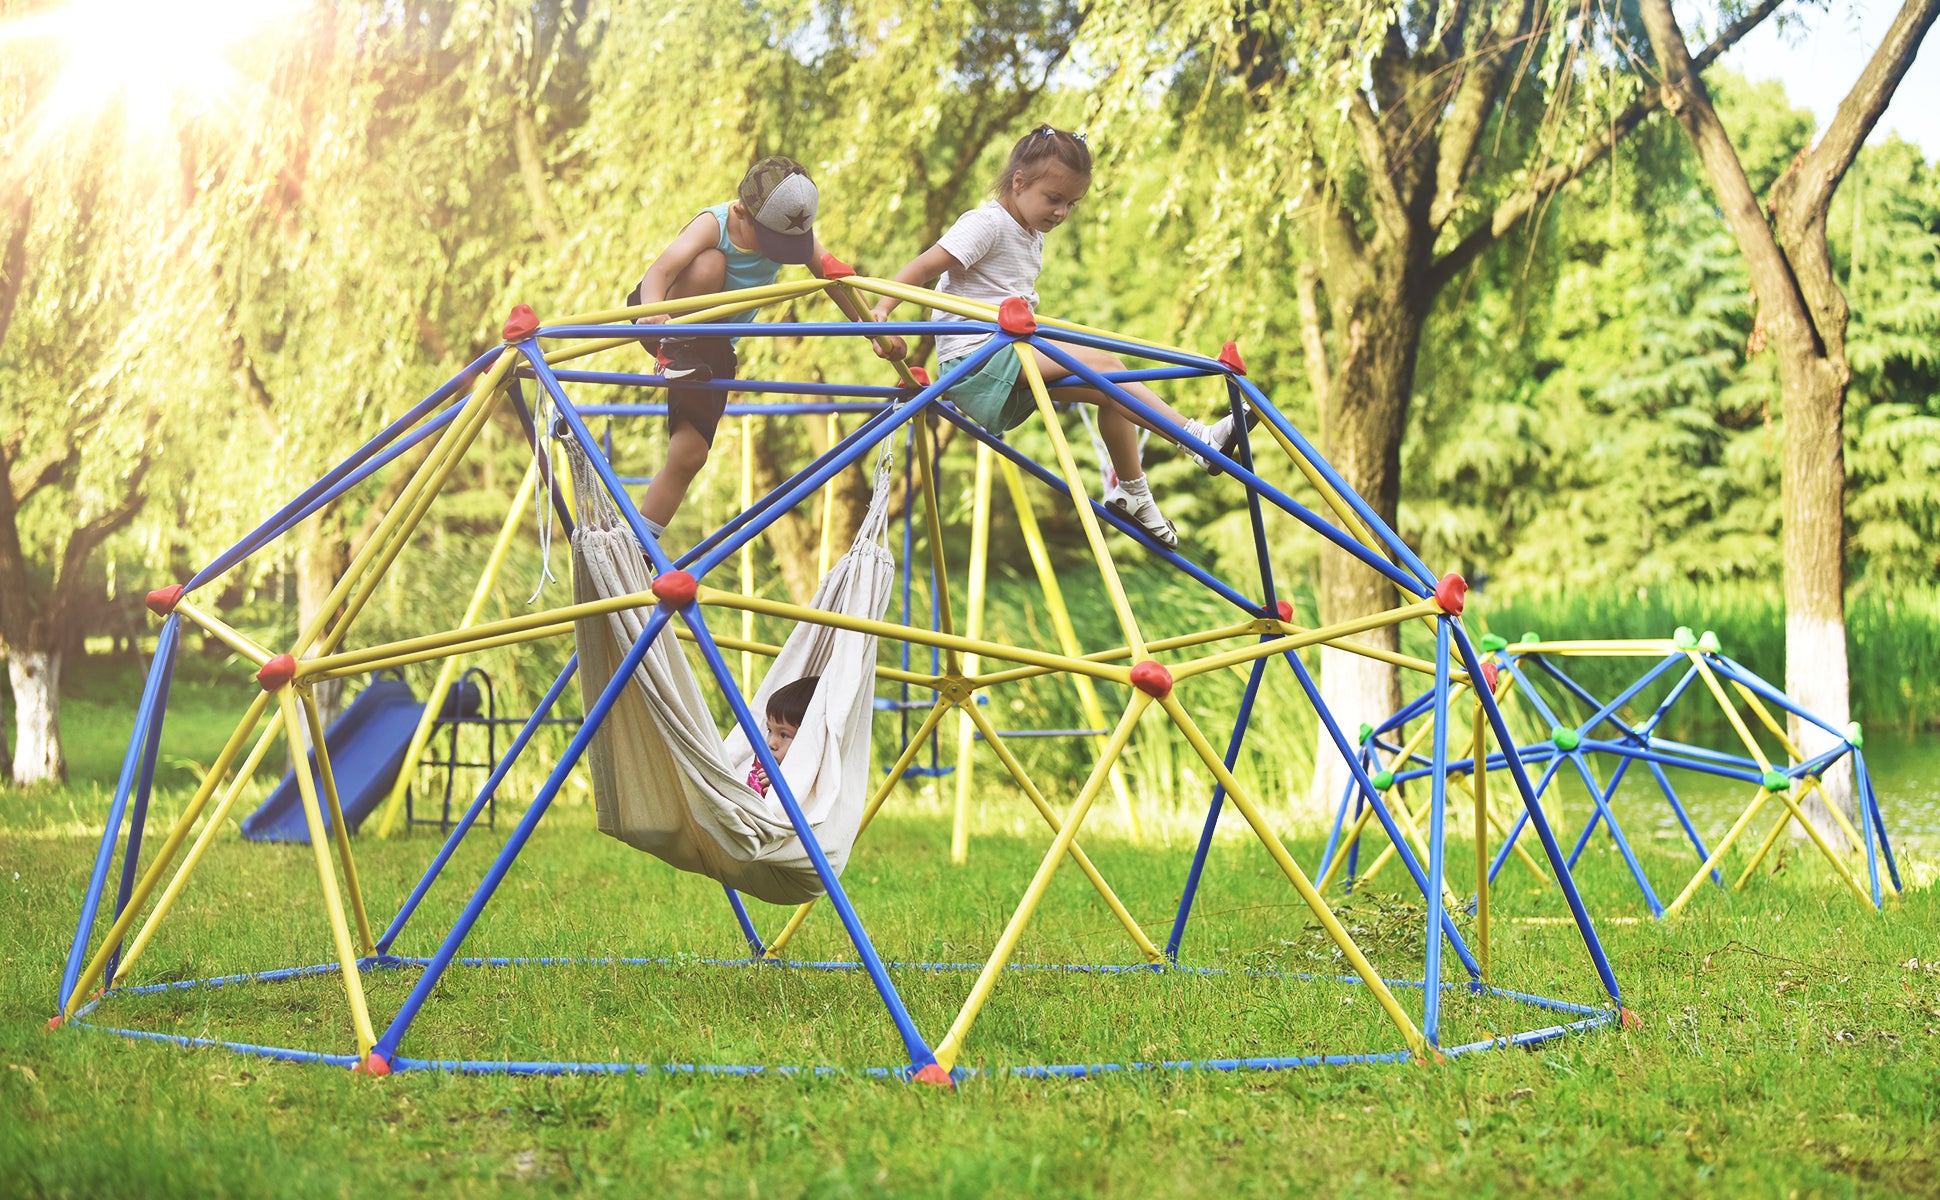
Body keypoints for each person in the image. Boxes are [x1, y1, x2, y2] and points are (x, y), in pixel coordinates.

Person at [867, 125, 1247, 548]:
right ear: (1019, 182)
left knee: (1113, 390)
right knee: (1108, 365)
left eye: (1071, 204)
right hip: (977, 361)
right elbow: (924, 267)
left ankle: (1134, 493)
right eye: (1054, 198)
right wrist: (883, 311)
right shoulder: (986, 224)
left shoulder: (1031, 235)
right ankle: (1196, 439)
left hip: (1009, 358)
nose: (1061, 212)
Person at [627, 157, 894, 543]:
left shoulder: (789, 230)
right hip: (664, 312)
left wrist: (874, 331)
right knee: (710, 264)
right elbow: (661, 271)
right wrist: (654, 312)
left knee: (690, 456)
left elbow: (833, 278)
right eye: (771, 241)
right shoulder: (714, 224)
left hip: (714, 341)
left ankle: (638, 547)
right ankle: (673, 349)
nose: (779, 252)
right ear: (741, 211)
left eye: (789, 244)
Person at [748, 675, 819, 795]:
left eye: (784, 735)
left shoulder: (817, 785)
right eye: (770, 730)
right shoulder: (762, 771)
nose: (771, 744)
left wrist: (779, 793)